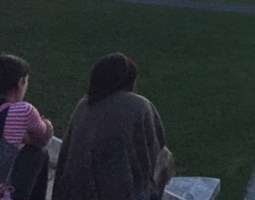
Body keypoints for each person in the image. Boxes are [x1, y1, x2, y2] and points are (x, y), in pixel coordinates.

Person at [53, 53, 173, 200]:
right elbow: (155, 149)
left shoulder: (84, 105)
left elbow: (66, 153)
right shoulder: (139, 106)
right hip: (120, 191)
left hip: (76, 189)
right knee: (164, 161)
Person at [0, 54, 53, 200]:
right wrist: (46, 123)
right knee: (39, 152)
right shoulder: (22, 111)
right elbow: (44, 138)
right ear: (21, 82)